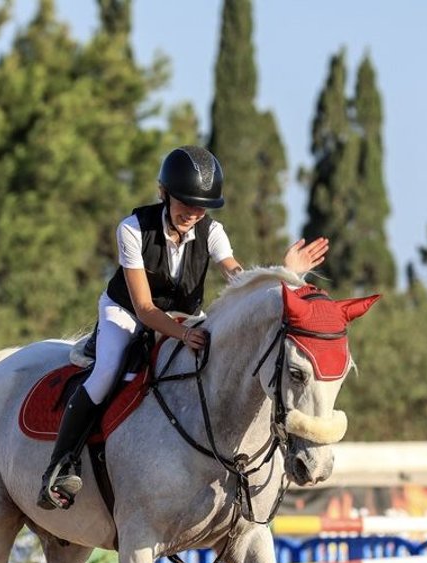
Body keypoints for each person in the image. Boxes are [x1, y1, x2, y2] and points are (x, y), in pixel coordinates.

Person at [38, 145, 329, 510]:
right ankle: (59, 465)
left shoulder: (212, 231)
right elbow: (145, 308)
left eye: (200, 207)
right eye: (185, 203)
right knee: (107, 372)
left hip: (183, 317)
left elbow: (239, 279)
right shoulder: (132, 229)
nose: (192, 213)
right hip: (126, 312)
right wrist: (184, 334)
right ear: (165, 194)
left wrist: (285, 275)